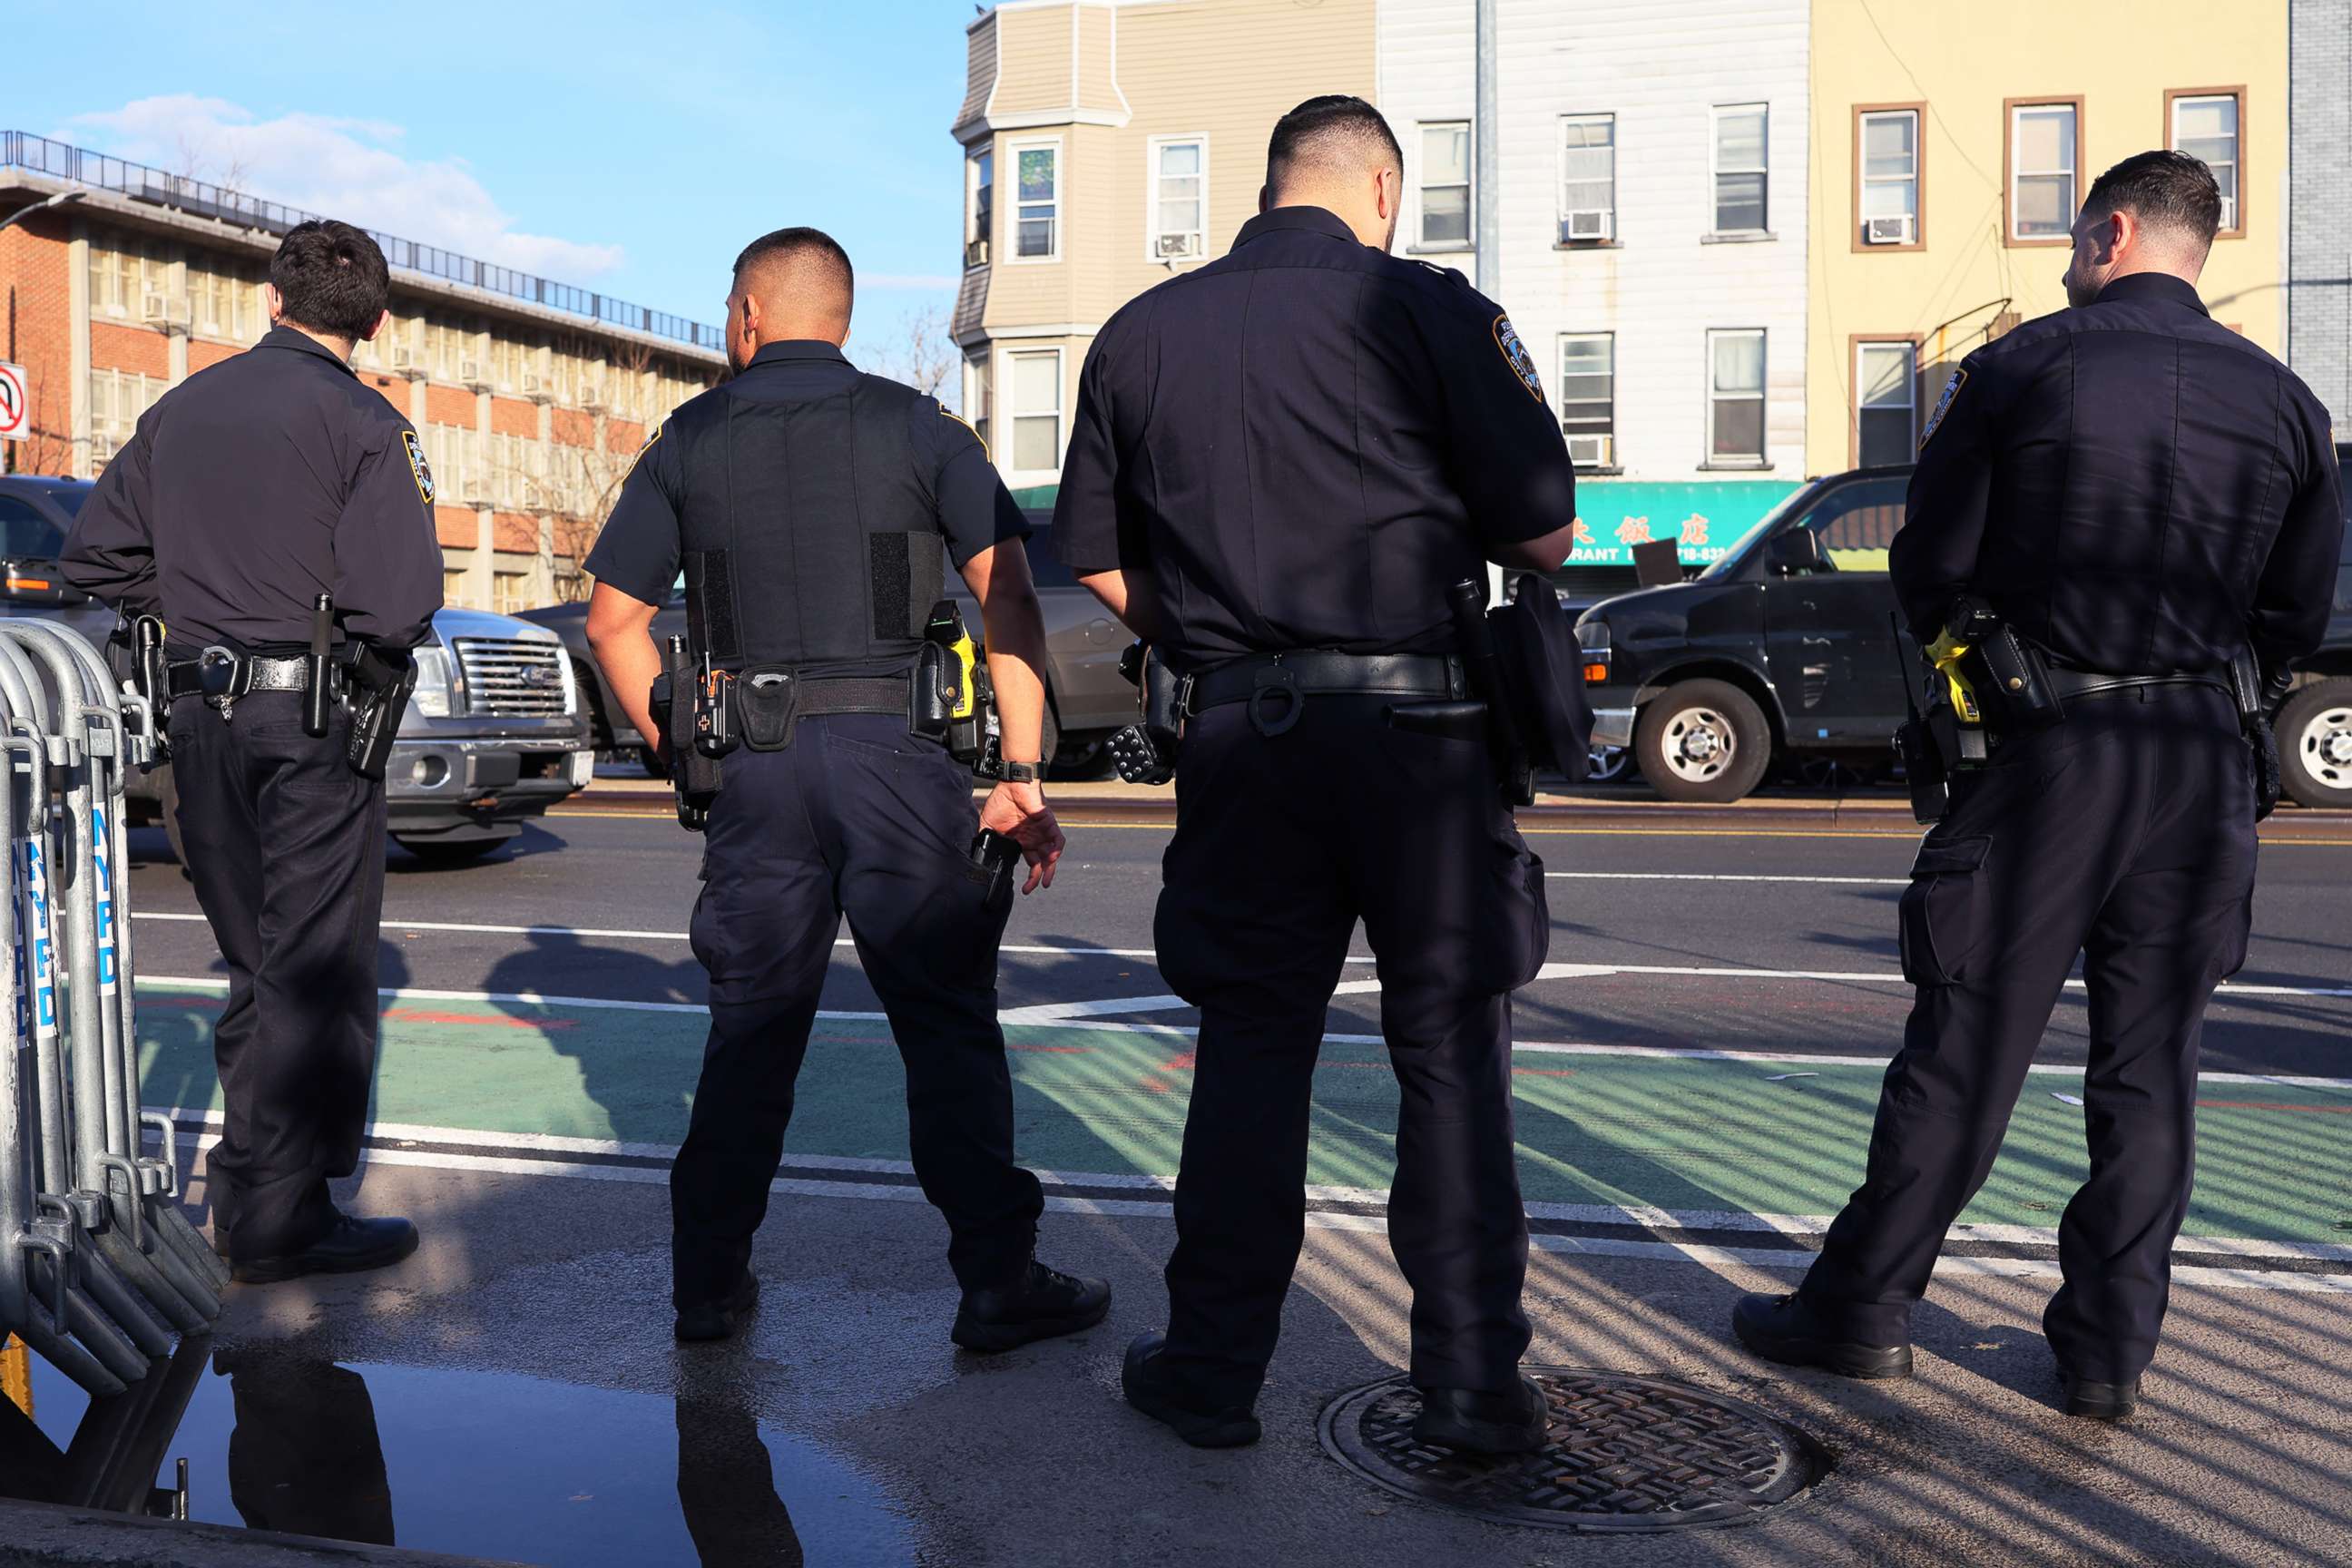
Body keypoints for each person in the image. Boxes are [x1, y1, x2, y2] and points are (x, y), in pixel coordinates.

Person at [1732, 152, 2345, 1419]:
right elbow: (2292, 607)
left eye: (2076, 236)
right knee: (2151, 1068)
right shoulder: (2286, 403)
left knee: (1966, 1046)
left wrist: (1984, 655)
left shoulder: (2023, 368)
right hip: (2203, 762)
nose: (2068, 259)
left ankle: (1861, 1310)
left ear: (2112, 231)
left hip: (2055, 747)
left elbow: (1932, 558)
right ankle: (2107, 1353)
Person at [1054, 96, 1579, 1453]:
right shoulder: (1436, 310)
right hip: (1426, 735)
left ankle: (1215, 1370)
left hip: (1246, 739)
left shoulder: (1137, 332)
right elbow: (1552, 534)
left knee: (1250, 1050)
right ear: (1382, 189)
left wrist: (1226, 644)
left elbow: (1102, 566)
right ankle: (1473, 1385)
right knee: (1451, 1059)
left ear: (1270, 182)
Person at [583, 227, 1109, 1348]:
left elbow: (613, 624)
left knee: (753, 1030)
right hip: (899, 766)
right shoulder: (919, 426)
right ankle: (995, 1282)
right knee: (945, 1024)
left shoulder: (689, 437)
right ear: (845, 318)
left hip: (755, 767)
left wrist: (690, 749)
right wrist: (1021, 774)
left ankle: (707, 1286)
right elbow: (1008, 597)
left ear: (746, 318)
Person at [63, 220, 441, 1283]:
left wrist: (189, 616)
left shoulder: (176, 410)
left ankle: (256, 1198)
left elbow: (97, 554)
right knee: (312, 970)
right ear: (375, 321)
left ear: (271, 302)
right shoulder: (366, 423)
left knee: (255, 966)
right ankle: (281, 1219)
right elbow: (399, 603)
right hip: (311, 721)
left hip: (195, 722)